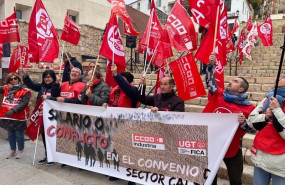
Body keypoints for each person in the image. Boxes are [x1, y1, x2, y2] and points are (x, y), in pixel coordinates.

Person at [203, 53, 256, 185]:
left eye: (235, 81)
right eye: (232, 80)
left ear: (241, 88)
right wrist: (210, 66)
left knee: (235, 179)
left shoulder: (250, 108)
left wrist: (243, 122)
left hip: (232, 147)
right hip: (212, 143)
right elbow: (210, 82)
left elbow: (252, 129)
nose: (231, 82)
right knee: (209, 178)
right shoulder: (220, 94)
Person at [103, 64, 138, 185]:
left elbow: (127, 89)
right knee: (115, 149)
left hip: (128, 124)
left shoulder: (133, 89)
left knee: (128, 150)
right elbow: (111, 101)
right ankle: (116, 172)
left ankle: (131, 177)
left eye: (121, 79)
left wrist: (116, 75)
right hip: (114, 123)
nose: (118, 81)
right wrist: (106, 105)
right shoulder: (114, 89)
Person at [247, 77, 285, 184]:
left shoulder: (274, 103)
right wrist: (265, 117)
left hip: (281, 164)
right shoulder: (268, 99)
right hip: (260, 157)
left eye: (283, 77)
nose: (279, 78)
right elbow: (250, 122)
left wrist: (277, 110)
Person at [22, 69, 57, 165]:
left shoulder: (56, 87)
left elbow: (58, 99)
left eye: (49, 77)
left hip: (53, 117)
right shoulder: (41, 86)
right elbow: (31, 85)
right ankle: (47, 155)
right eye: (45, 77)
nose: (47, 79)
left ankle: (53, 156)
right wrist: (25, 75)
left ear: (53, 78)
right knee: (45, 136)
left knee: (53, 137)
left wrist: (48, 98)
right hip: (43, 116)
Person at [0, 73, 31, 159]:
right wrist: (5, 86)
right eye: (11, 79)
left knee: (19, 134)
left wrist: (13, 110)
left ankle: (20, 150)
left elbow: (25, 103)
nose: (14, 80)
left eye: (15, 78)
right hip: (8, 116)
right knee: (10, 134)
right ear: (8, 80)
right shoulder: (6, 88)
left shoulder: (24, 90)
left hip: (19, 116)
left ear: (18, 79)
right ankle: (12, 150)